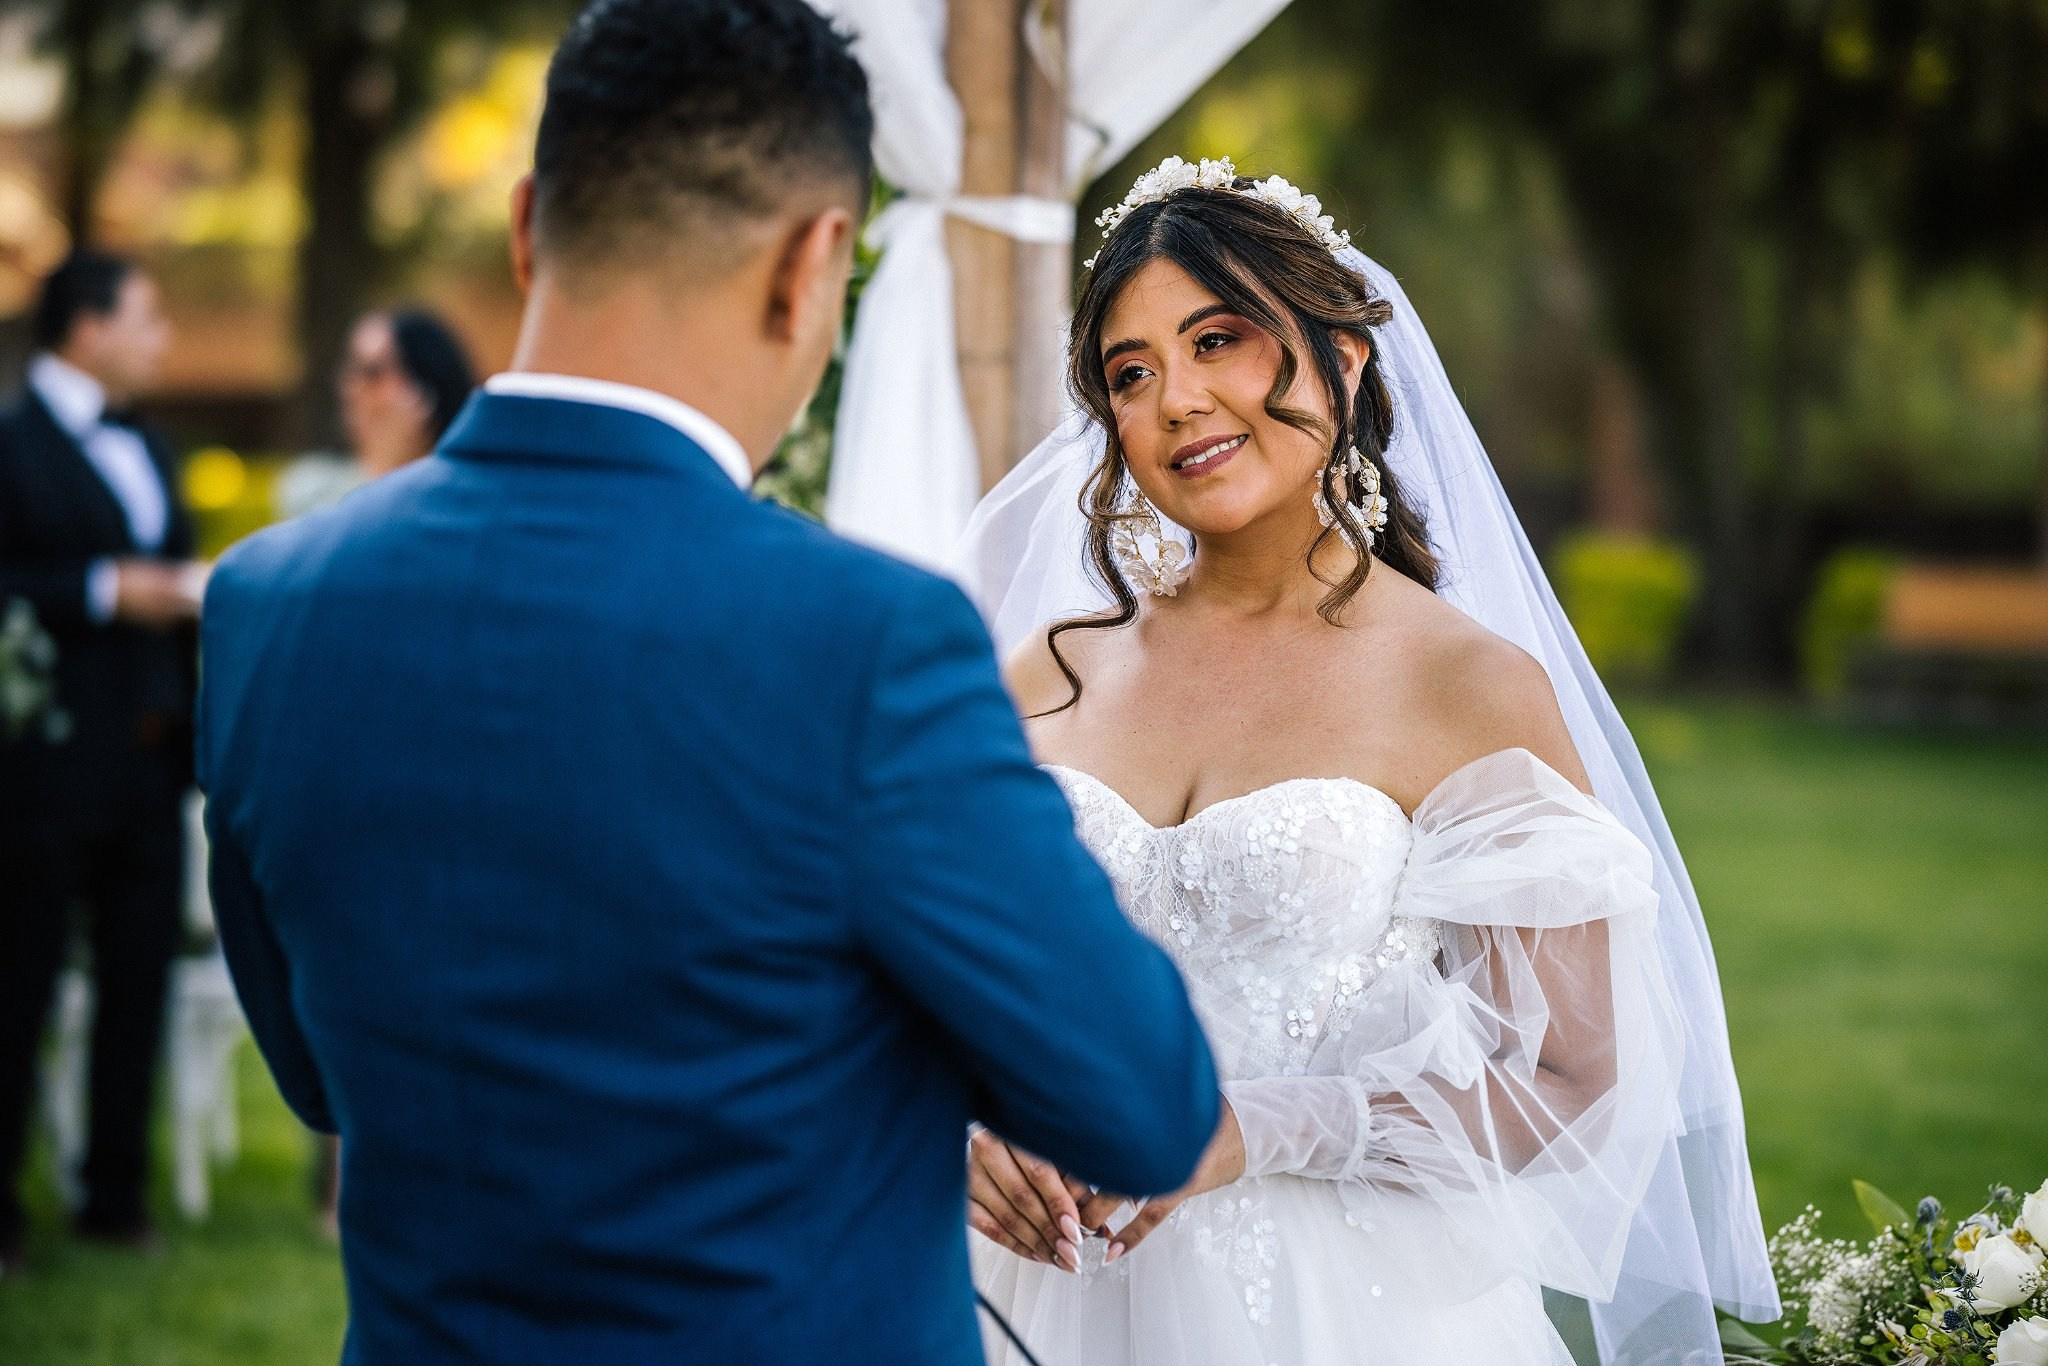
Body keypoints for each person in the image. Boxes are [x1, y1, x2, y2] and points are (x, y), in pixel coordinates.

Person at [195, 2, 1219, 1362]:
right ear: (814, 267)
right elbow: (1143, 1099)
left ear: (524, 227)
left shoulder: (267, 602)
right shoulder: (868, 639)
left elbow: (320, 1078)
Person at [957, 158, 1780, 1365]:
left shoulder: (1463, 684)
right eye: (1130, 375)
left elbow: (1566, 1077)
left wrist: (1246, 1130)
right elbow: (915, 974)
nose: (1176, 399)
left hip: (1335, 1307)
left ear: (1342, 358)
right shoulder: (1042, 673)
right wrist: (967, 1120)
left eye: (1217, 340)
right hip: (1029, 1287)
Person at [0, 249, 202, 1272]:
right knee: (17, 984)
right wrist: (95, 589)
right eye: (147, 315)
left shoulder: (154, 446)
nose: (161, 337)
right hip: (39, 769)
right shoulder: (9, 441)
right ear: (86, 325)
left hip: (149, 764)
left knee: (139, 985)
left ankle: (112, 1199)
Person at [275, 307, 479, 520]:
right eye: (350, 368)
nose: (351, 386)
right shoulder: (312, 486)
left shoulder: (464, 490)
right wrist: (384, 469)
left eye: (372, 372)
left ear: (423, 388)